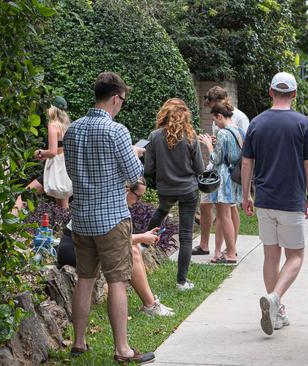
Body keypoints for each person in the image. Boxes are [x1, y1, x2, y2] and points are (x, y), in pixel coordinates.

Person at [63, 72, 154, 364]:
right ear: (116, 98)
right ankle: (123, 349)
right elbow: (134, 175)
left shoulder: (73, 129)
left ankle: (78, 342)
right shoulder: (117, 132)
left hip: (81, 218)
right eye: (122, 101)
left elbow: (71, 170)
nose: (121, 106)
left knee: (84, 279)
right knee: (117, 281)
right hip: (112, 218)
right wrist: (135, 154)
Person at [241, 72, 308, 336]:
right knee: (296, 255)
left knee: (270, 256)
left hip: (264, 199)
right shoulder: (303, 123)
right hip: (291, 200)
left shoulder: (256, 123)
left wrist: (246, 195)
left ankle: (277, 311)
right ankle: (275, 299)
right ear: (295, 94)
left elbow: (246, 163)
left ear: (270, 91)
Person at [57, 178, 174, 317]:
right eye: (138, 197)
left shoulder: (112, 205)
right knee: (131, 251)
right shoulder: (108, 207)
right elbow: (113, 240)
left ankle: (151, 303)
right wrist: (143, 237)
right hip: (72, 249)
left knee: (133, 248)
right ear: (126, 190)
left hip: (84, 245)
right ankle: (150, 305)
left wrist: (142, 237)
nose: (138, 202)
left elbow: (115, 239)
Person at [144, 98, 205, 290]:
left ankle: (143, 243)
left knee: (161, 210)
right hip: (188, 189)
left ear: (164, 113)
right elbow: (199, 168)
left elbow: (149, 168)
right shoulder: (191, 136)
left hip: (166, 189)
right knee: (186, 236)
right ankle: (181, 281)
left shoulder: (154, 137)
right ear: (184, 115)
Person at [193, 86, 249, 256]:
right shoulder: (228, 127)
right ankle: (216, 249)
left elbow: (222, 156)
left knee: (226, 214)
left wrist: (210, 145)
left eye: (215, 117)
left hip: (225, 175)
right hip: (220, 172)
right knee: (219, 212)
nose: (214, 121)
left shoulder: (237, 121)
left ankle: (230, 251)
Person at [14, 97, 71, 213]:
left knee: (23, 196)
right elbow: (61, 150)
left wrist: (39, 152)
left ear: (52, 109)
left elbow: (53, 151)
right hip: (64, 172)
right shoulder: (66, 126)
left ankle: (7, 227)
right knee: (62, 208)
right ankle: (65, 231)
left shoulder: (53, 125)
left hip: (54, 172)